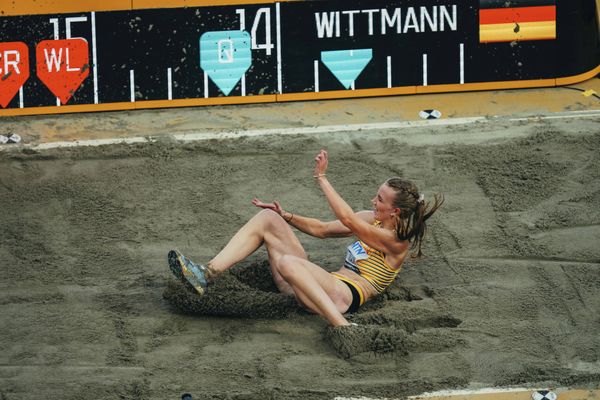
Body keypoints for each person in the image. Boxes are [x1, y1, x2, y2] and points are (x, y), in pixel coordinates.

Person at [168, 149, 443, 327]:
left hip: (341, 297)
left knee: (289, 263)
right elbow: (322, 229)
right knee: (268, 220)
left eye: (379, 199)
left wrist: (322, 178)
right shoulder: (371, 218)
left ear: (395, 211)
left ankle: (342, 326)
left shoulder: (396, 242)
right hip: (314, 288)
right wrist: (286, 215)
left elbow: (347, 219)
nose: (373, 201)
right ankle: (206, 274)